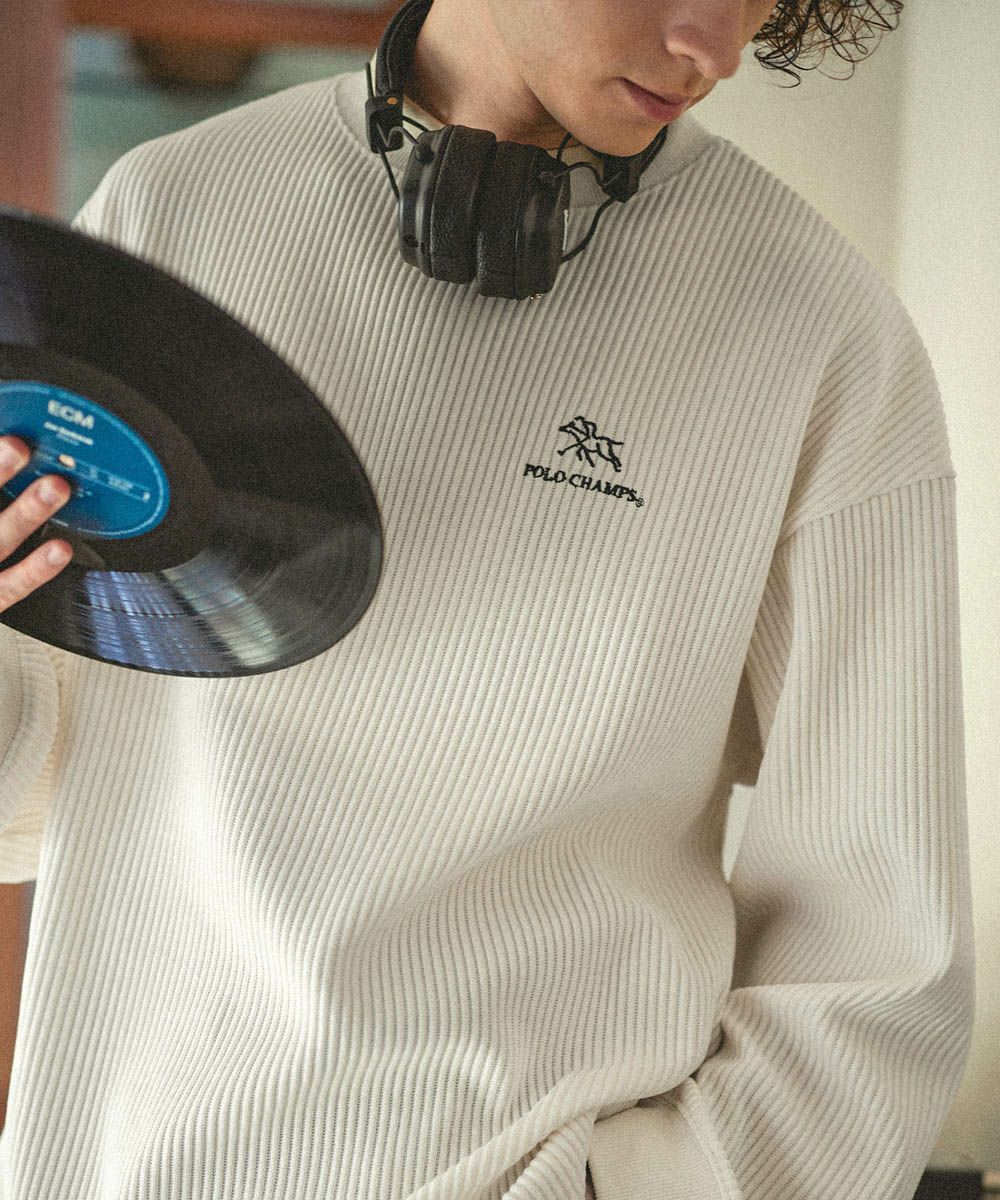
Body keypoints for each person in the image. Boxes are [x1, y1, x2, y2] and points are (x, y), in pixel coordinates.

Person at [0, 1, 976, 1198]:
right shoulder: (175, 210)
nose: (716, 48)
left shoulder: (819, 332)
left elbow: (880, 958)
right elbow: (28, 798)